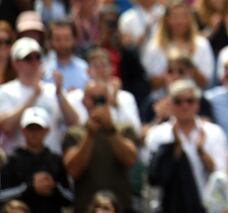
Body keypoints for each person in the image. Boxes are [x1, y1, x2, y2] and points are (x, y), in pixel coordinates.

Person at [145, 79, 228, 213]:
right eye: (178, 101)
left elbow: (221, 176)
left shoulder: (214, 133)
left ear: (198, 104)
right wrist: (173, 151)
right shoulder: (158, 135)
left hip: (206, 207)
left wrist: (201, 151)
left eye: (190, 101)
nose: (185, 106)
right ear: (170, 104)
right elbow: (153, 177)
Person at [61, 80, 138, 213]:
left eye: (101, 98)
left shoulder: (124, 129)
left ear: (109, 100)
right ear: (84, 101)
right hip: (86, 207)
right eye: (93, 98)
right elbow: (73, 170)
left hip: (120, 207)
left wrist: (110, 130)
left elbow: (130, 160)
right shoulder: (74, 134)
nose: (97, 103)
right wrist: (90, 135)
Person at [0, 38, 79, 154]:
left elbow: (74, 123)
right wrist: (33, 96)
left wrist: (60, 94)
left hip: (51, 162)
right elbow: (6, 127)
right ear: (15, 63)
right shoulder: (5, 91)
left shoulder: (53, 90)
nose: (34, 62)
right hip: (17, 165)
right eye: (27, 58)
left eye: (38, 57)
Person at [0, 107, 72, 212]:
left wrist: (53, 187)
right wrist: (29, 187)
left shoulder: (56, 160)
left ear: (47, 131)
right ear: (23, 131)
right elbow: (2, 195)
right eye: (30, 128)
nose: (34, 133)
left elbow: (70, 197)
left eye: (38, 128)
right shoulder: (12, 160)